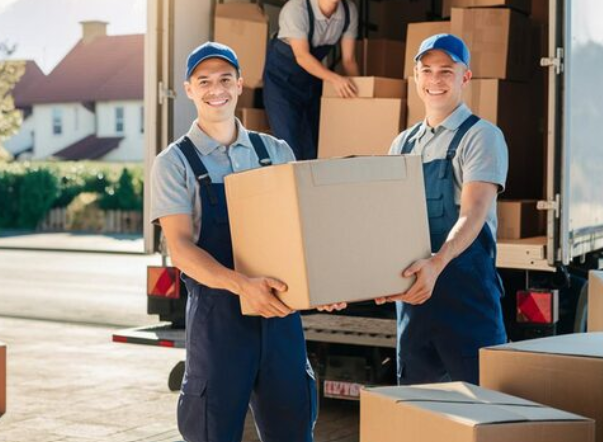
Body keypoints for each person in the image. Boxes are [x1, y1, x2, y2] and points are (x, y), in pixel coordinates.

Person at [151, 41, 318, 442]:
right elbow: (182, 249)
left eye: (225, 79)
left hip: (281, 317)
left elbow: (299, 233)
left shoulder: (275, 151)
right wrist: (242, 285)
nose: (216, 89)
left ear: (240, 84)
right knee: (212, 432)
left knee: (293, 431)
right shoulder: (174, 163)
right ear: (189, 89)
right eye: (204, 81)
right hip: (219, 323)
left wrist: (321, 285)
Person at [380, 34, 509, 385]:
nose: (435, 80)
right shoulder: (403, 143)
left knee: (485, 407)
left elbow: (473, 213)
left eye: (446, 71)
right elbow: (390, 219)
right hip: (415, 302)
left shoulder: (481, 136)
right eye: (427, 70)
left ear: (465, 77)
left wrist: (436, 264)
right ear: (416, 76)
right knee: (418, 412)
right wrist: (375, 275)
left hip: (465, 300)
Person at [263, 0, 360, 161]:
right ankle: (288, 186)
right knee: (289, 144)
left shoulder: (348, 12)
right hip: (281, 81)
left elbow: (349, 60)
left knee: (313, 144)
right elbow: (302, 56)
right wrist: (335, 79)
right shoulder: (296, 9)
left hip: (312, 78)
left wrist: (361, 95)